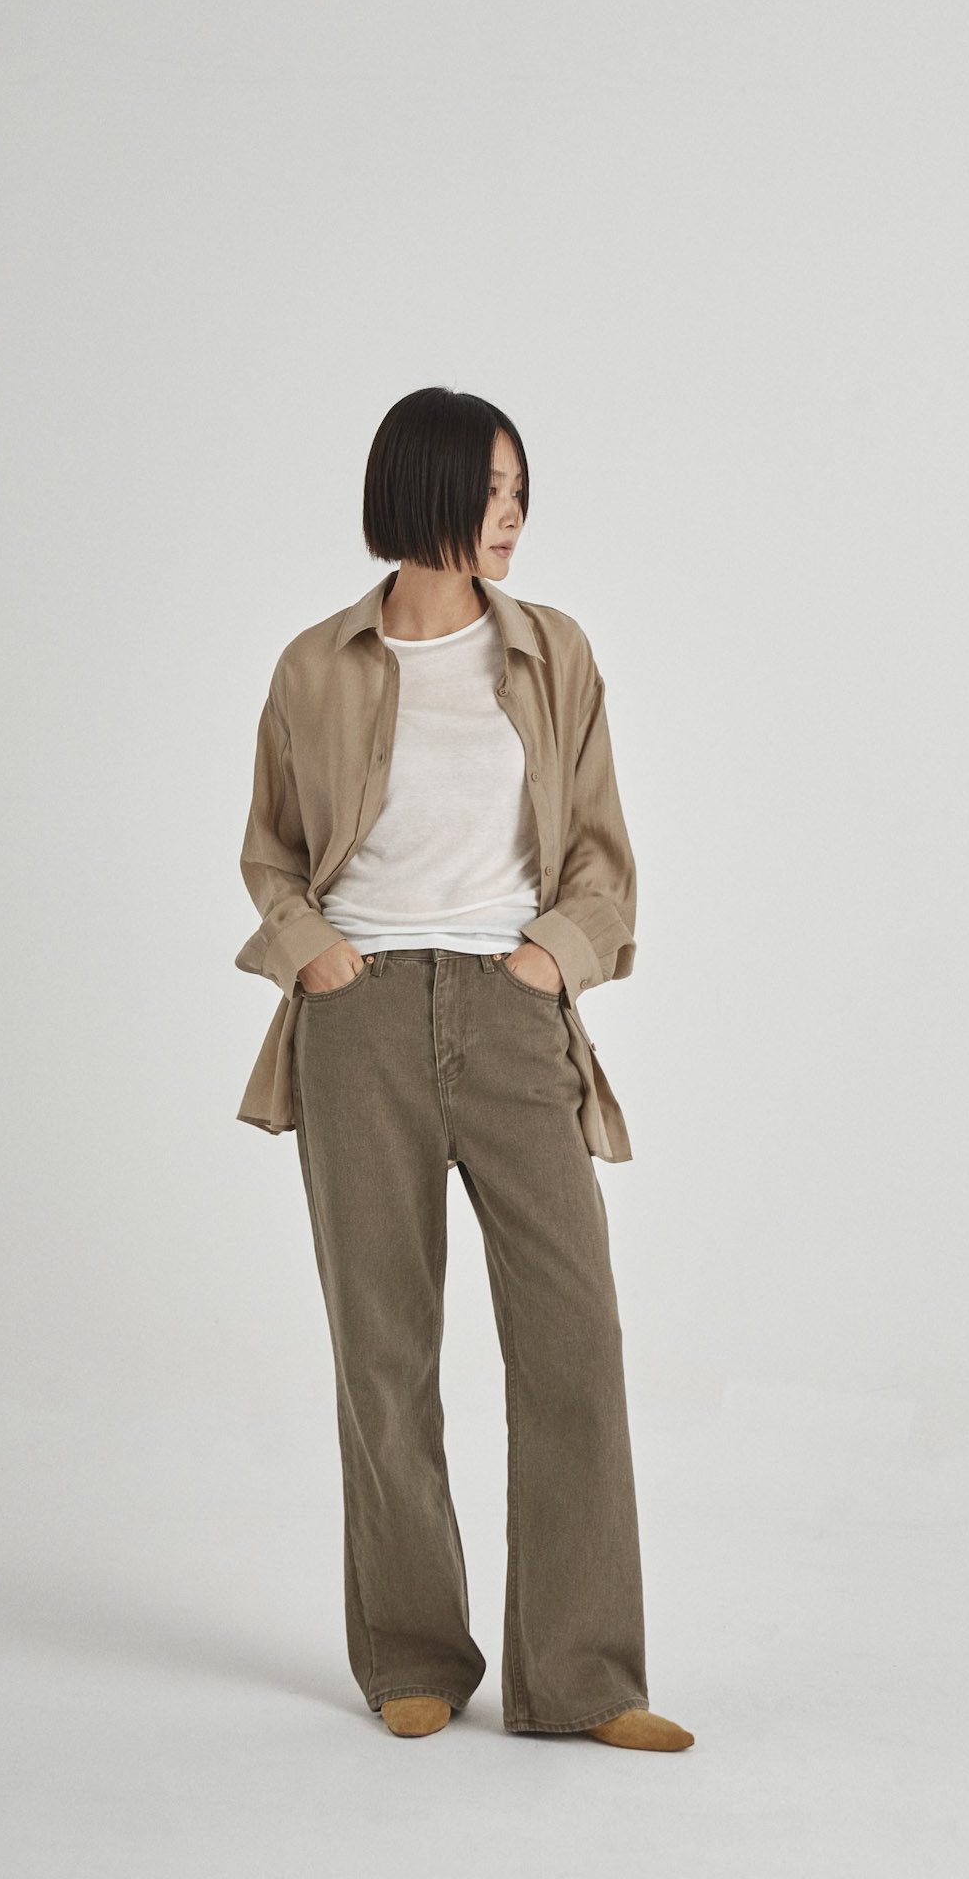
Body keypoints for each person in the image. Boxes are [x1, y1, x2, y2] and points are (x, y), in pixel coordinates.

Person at [235, 386, 693, 1751]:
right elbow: (271, 852)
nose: (513, 512)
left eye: (519, 488)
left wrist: (553, 957)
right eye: (491, 488)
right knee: (384, 1354)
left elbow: (601, 854)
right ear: (420, 490)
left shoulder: (553, 654)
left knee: (574, 1340)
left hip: (510, 1013)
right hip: (358, 1021)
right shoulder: (314, 666)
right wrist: (316, 956)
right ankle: (412, 1655)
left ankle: (585, 1679)